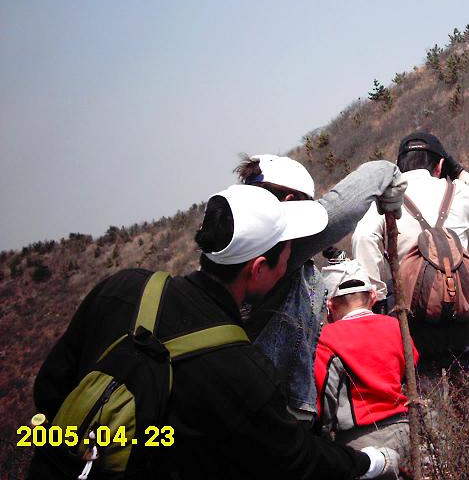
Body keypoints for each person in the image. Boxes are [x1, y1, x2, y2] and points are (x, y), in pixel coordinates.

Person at [29, 185, 400, 479]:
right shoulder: (240, 369)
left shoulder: (123, 288)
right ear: (258, 269)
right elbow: (296, 459)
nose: (292, 258)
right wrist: (371, 462)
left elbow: (49, 390)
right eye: (288, 252)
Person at [233, 154, 406, 424]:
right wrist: (386, 170)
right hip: (276, 414)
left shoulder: (231, 247)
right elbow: (340, 209)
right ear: (290, 202)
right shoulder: (278, 244)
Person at [352, 132, 469, 393]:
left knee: (421, 393)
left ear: (399, 166)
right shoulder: (457, 191)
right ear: (440, 165)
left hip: (412, 314)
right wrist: (460, 173)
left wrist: (378, 296)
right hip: (462, 312)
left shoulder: (387, 199)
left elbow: (363, 237)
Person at [315, 260, 418, 477]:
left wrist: (322, 440)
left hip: (360, 443)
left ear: (330, 305)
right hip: (406, 432)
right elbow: (412, 370)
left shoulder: (327, 338)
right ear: (372, 297)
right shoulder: (396, 326)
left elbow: (325, 397)